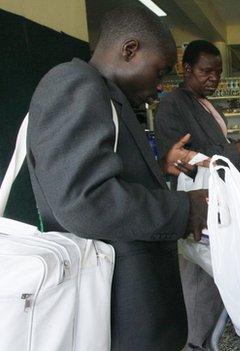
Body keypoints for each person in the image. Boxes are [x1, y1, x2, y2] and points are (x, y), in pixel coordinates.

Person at [26, 6, 208, 351]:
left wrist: (158, 164)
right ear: (129, 50)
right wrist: (183, 209)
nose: (159, 86)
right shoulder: (74, 84)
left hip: (132, 310)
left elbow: (105, 172)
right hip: (116, 316)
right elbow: (85, 200)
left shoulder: (106, 96)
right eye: (160, 71)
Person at [155, 40, 240, 351]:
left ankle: (214, 332)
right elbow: (180, 158)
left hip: (219, 201)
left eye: (217, 72)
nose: (213, 79)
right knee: (198, 274)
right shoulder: (172, 106)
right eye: (205, 72)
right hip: (197, 204)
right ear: (186, 70)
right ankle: (193, 342)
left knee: (219, 271)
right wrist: (233, 152)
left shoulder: (203, 102)